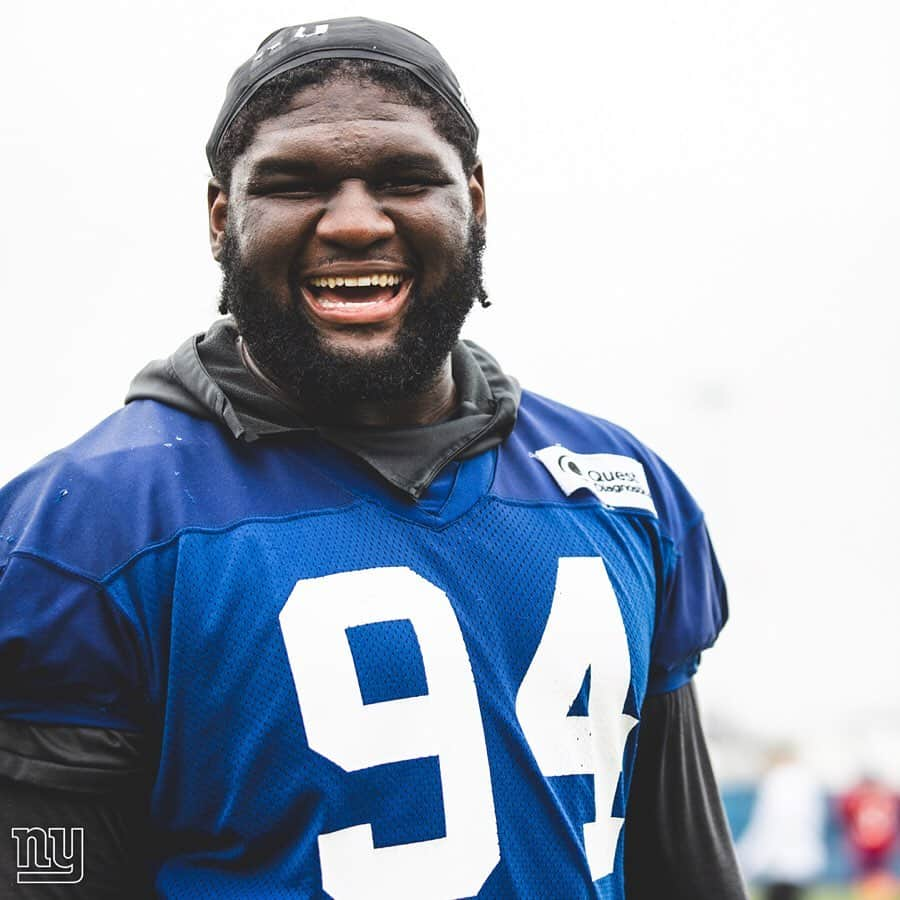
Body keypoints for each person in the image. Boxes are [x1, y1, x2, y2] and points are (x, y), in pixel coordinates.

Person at [0, 17, 747, 899]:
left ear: (474, 201)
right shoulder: (84, 525)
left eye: (404, 178)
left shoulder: (621, 489)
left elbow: (684, 865)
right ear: (219, 219)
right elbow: (48, 875)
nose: (355, 222)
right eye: (293, 183)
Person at [737, 745, 828, 900]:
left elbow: (770, 821)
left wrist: (753, 855)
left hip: (782, 860)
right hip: (797, 858)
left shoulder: (776, 780)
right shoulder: (806, 780)